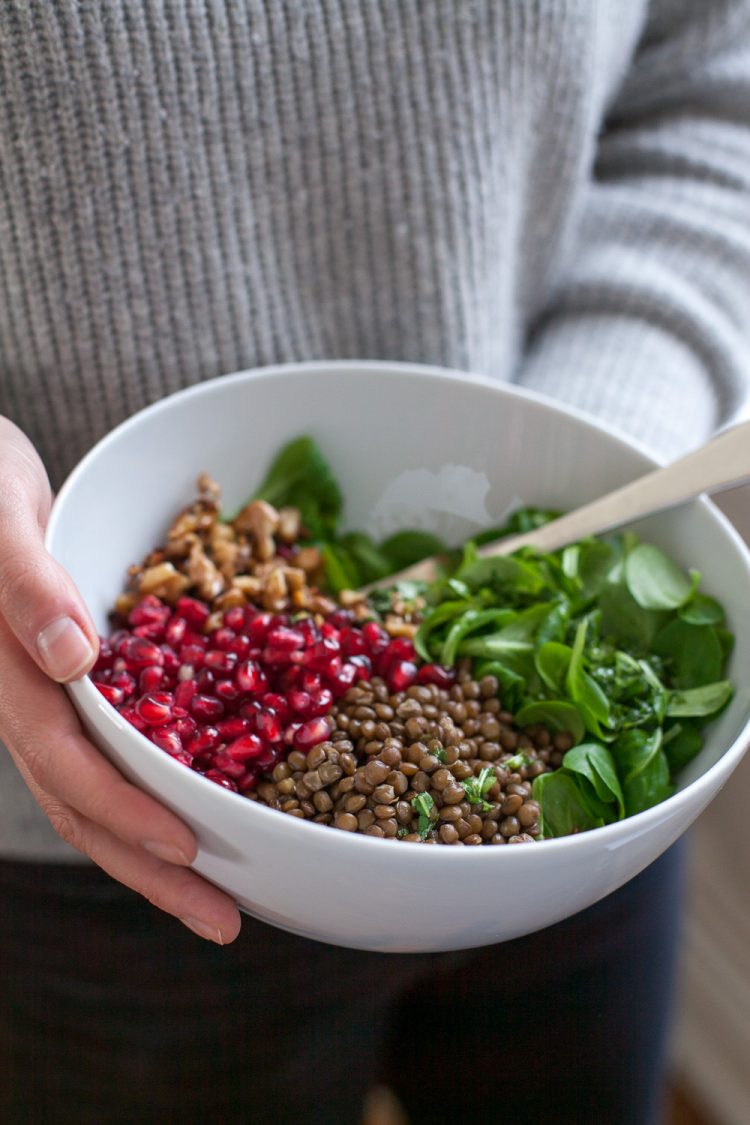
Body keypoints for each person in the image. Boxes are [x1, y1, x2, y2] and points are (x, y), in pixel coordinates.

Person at [1, 2, 749, 1122]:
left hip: (570, 862)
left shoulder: (552, 763)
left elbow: (708, 92)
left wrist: (578, 462)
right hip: (93, 849)